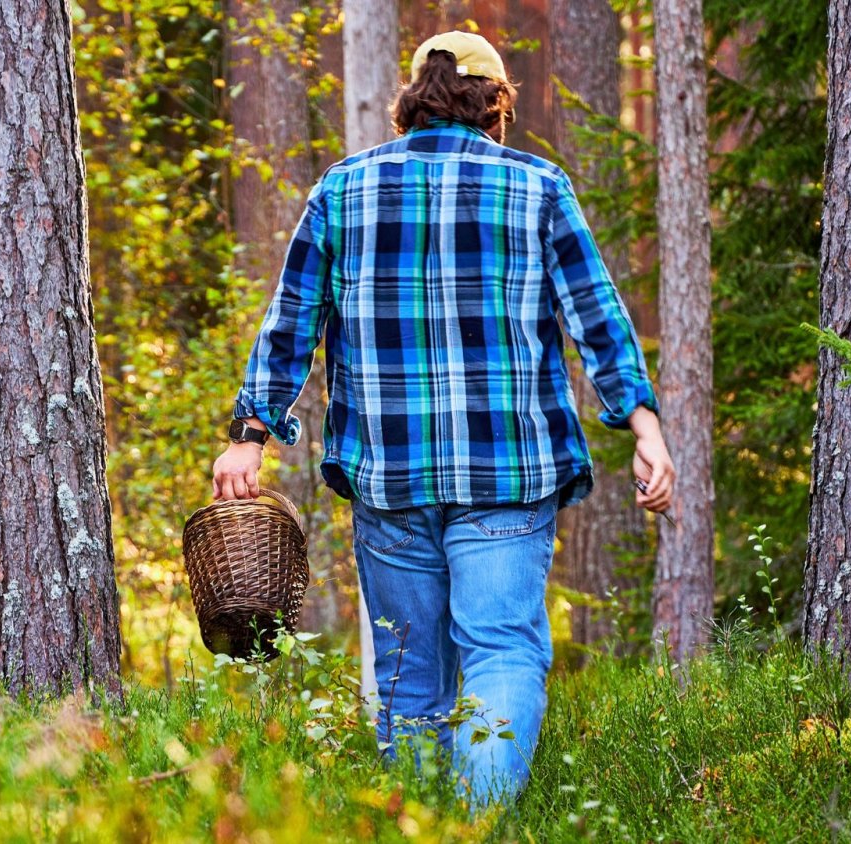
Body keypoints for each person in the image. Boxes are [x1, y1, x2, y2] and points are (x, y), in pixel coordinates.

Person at [212, 31, 675, 806]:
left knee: (408, 673)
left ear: (412, 101)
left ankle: (428, 824)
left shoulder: (345, 188)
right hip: (507, 475)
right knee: (500, 654)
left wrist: (248, 438)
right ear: (494, 105)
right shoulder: (536, 186)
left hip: (389, 477)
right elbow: (597, 317)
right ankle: (478, 822)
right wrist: (644, 427)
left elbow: (289, 322)